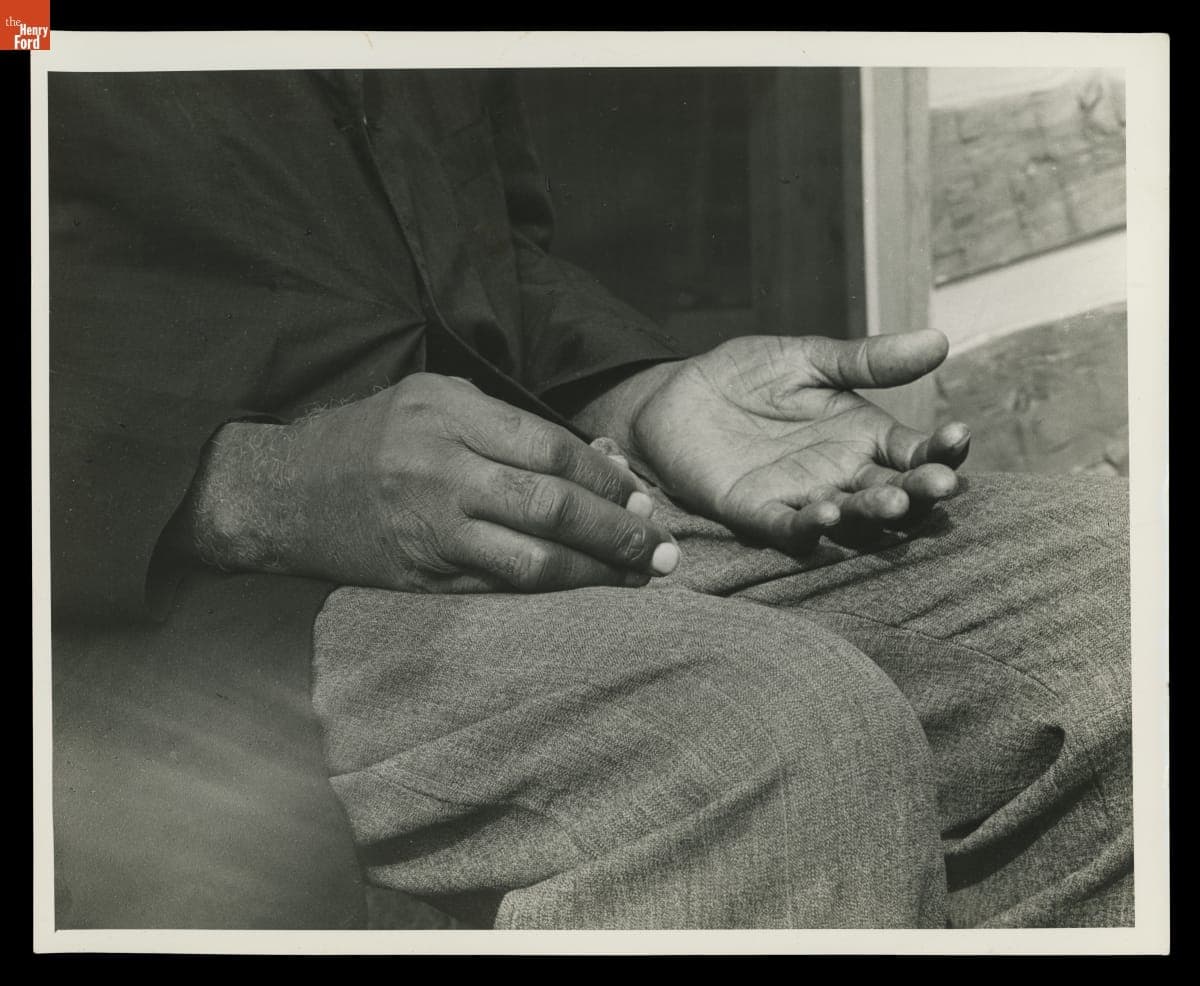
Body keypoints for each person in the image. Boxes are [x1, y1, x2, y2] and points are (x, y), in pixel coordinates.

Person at [48, 67, 1132, 930]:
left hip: (496, 487)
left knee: (1120, 600)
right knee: (758, 732)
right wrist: (238, 484)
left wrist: (643, 389)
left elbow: (487, 248)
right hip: (154, 576)